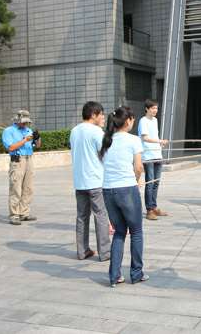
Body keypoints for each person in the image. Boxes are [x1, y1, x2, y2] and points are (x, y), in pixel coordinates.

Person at [100, 106, 148, 287]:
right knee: (136, 231)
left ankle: (114, 276)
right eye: (133, 120)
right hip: (127, 188)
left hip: (108, 191)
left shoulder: (106, 140)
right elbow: (139, 167)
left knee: (119, 232)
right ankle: (136, 273)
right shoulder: (133, 140)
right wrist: (136, 180)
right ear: (128, 120)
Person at [69, 101, 112, 261]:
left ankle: (82, 251)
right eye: (101, 114)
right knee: (101, 215)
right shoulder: (96, 132)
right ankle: (105, 252)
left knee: (82, 216)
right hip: (95, 181)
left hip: (79, 181)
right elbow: (105, 154)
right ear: (93, 115)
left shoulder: (74, 131)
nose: (103, 117)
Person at [1, 109, 41, 226]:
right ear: (17, 120)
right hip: (18, 160)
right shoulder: (9, 131)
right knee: (16, 188)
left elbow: (37, 146)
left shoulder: (28, 130)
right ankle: (14, 214)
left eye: (27, 122)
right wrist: (25, 140)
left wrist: (37, 138)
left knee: (28, 188)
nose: (25, 124)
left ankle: (24, 213)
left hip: (29, 159)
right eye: (23, 121)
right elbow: (11, 147)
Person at [138, 99, 169, 221]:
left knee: (156, 182)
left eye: (156, 108)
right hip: (148, 156)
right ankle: (149, 210)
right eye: (153, 108)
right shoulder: (143, 121)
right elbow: (145, 138)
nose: (155, 110)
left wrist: (159, 144)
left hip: (157, 154)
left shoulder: (155, 120)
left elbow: (154, 136)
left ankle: (154, 206)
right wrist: (159, 141)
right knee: (150, 183)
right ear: (147, 109)